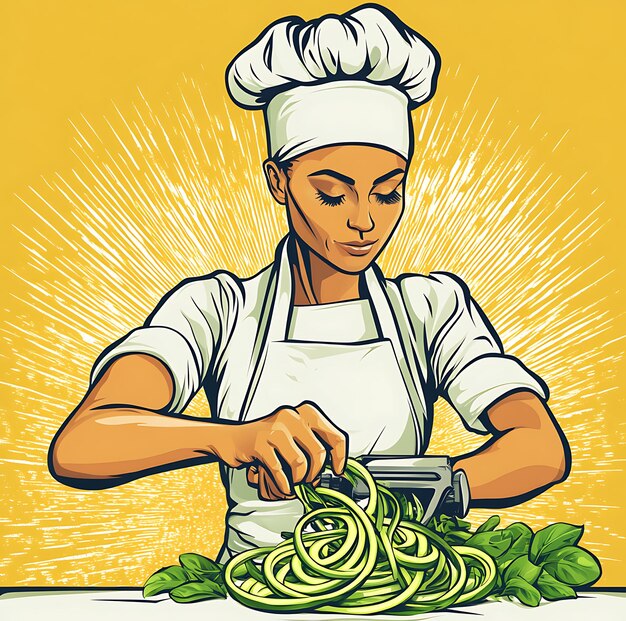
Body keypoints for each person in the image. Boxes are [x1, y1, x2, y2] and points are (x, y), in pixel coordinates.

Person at [48, 4, 570, 565]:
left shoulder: (430, 310)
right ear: (279, 180)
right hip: (251, 597)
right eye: (332, 194)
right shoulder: (218, 310)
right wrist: (232, 439)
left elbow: (540, 446)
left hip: (393, 586)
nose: (365, 220)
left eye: (388, 191)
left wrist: (406, 489)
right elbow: (83, 443)